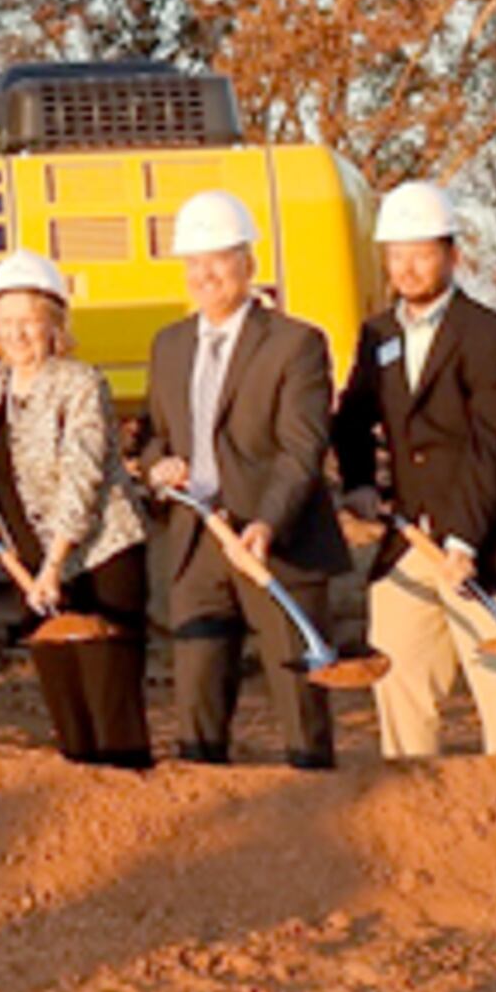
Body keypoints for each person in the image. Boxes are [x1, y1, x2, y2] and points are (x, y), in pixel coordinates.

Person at [329, 182, 496, 759]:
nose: (407, 266)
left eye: (421, 252)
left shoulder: (491, 337)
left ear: (452, 256)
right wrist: (358, 482)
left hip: (485, 547)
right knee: (401, 699)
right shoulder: (379, 334)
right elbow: (352, 417)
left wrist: (463, 538)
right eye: (396, 254)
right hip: (408, 543)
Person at [135, 189, 351, 770]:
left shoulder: (295, 343)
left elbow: (302, 448)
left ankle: (316, 816)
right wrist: (160, 468)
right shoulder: (169, 345)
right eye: (194, 263)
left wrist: (267, 523)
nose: (205, 275)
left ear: (248, 265)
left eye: (219, 260)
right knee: (197, 705)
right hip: (195, 543)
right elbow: (153, 435)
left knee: (299, 699)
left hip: (274, 545)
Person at [0, 252, 151, 769]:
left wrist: (53, 567)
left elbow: (83, 478)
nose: (17, 333)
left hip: (98, 559)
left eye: (29, 320)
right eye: (6, 322)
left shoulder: (80, 383)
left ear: (54, 323)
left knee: (109, 709)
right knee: (67, 710)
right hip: (36, 571)